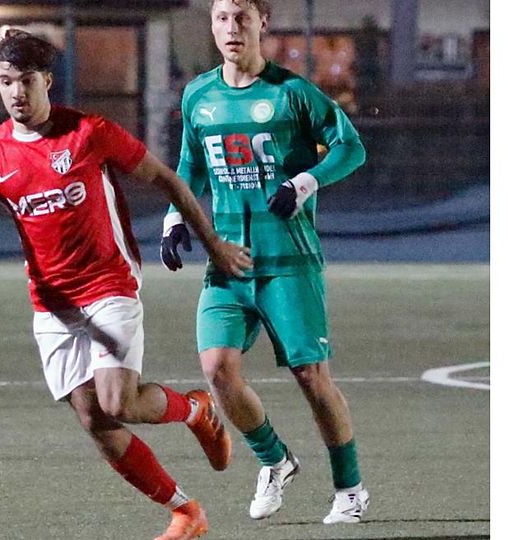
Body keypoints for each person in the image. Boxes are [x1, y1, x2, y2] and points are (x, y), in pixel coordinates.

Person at [0, 29, 252, 540]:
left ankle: (195, 410)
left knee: (117, 402)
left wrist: (216, 246)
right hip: (52, 306)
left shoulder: (88, 133)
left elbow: (168, 181)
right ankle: (186, 512)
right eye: (6, 82)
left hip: (109, 285)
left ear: (47, 80)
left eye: (26, 81)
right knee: (96, 421)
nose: (16, 93)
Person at [159, 0, 371, 525]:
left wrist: (304, 182)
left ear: (263, 23)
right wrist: (174, 219)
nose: (231, 28)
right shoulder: (198, 95)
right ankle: (275, 460)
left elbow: (352, 147)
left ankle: (350, 490)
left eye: (241, 17)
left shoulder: (293, 93)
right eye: (221, 17)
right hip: (227, 258)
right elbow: (191, 164)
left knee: (311, 376)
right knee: (217, 369)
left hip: (290, 260)